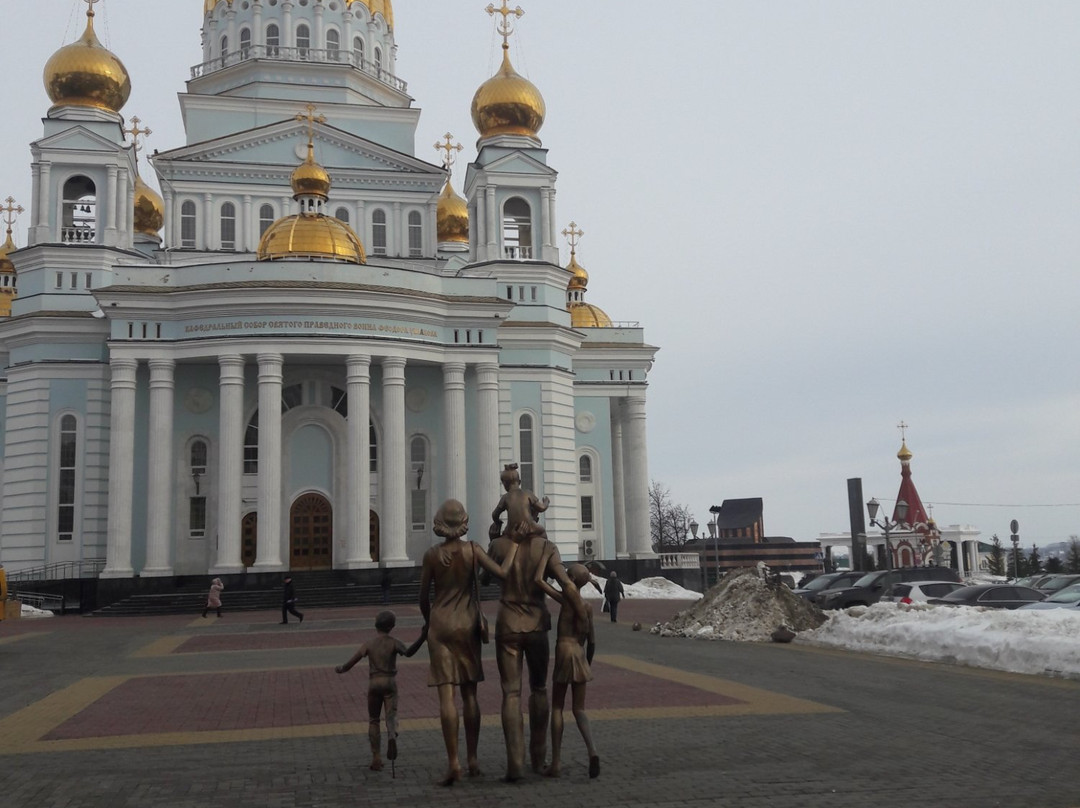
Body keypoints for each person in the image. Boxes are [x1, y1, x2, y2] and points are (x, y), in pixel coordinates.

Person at [486, 465, 588, 782]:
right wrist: (580, 611)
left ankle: (514, 764)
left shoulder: (499, 546)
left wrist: (493, 538)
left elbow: (484, 578)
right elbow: (565, 583)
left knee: (510, 693)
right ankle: (539, 756)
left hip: (507, 624)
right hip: (537, 625)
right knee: (540, 688)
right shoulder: (546, 547)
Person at [418, 499, 519, 786]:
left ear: (439, 523)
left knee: (446, 696)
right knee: (470, 695)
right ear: (464, 522)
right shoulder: (473, 550)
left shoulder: (431, 555)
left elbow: (423, 597)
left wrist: (428, 621)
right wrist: (513, 546)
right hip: (467, 624)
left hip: (440, 624)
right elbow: (502, 573)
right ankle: (473, 759)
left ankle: (454, 762)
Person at [335, 610, 426, 771]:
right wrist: (422, 637)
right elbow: (409, 653)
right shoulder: (394, 642)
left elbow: (351, 663)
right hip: (389, 682)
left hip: (374, 683)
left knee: (373, 720)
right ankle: (391, 734)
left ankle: (376, 757)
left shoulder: (369, 644)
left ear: (375, 625)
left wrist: (341, 669)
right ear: (392, 626)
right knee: (391, 715)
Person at [537, 563, 600, 779]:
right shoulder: (587, 607)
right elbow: (592, 641)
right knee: (579, 709)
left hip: (564, 651)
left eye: (566, 575)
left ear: (571, 580)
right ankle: (592, 751)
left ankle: (556, 762)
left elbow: (539, 582)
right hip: (580, 653)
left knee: (557, 707)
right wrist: (587, 663)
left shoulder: (565, 600)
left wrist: (544, 559)